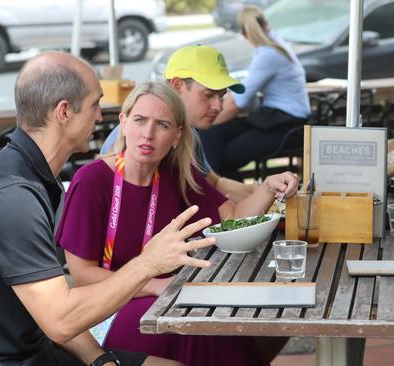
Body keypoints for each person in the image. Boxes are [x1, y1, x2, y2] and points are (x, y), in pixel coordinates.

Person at [0, 51, 215, 365]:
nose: (101, 117)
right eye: (95, 104)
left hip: (39, 349)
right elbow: (61, 320)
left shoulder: (29, 175)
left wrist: (100, 360)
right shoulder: (11, 195)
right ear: (64, 112)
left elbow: (50, 307)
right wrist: (148, 264)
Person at [56, 80, 298, 366]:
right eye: (140, 120)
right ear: (123, 123)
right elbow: (83, 275)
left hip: (170, 299)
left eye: (161, 125)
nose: (148, 134)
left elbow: (232, 218)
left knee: (223, 323)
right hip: (109, 309)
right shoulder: (92, 181)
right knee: (198, 323)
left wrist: (268, 187)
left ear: (176, 135)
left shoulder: (176, 173)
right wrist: (154, 284)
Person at [101, 45, 254, 203]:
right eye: (208, 95)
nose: (219, 106)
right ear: (177, 86)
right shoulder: (133, 137)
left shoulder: (189, 133)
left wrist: (263, 191)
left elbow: (215, 183)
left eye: (221, 97)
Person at [199, 5, 311, 181]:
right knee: (213, 135)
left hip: (287, 124)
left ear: (244, 35)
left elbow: (238, 102)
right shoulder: (276, 46)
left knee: (225, 153)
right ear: (266, 23)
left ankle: (231, 199)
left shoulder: (269, 54)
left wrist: (206, 123)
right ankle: (227, 197)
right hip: (277, 118)